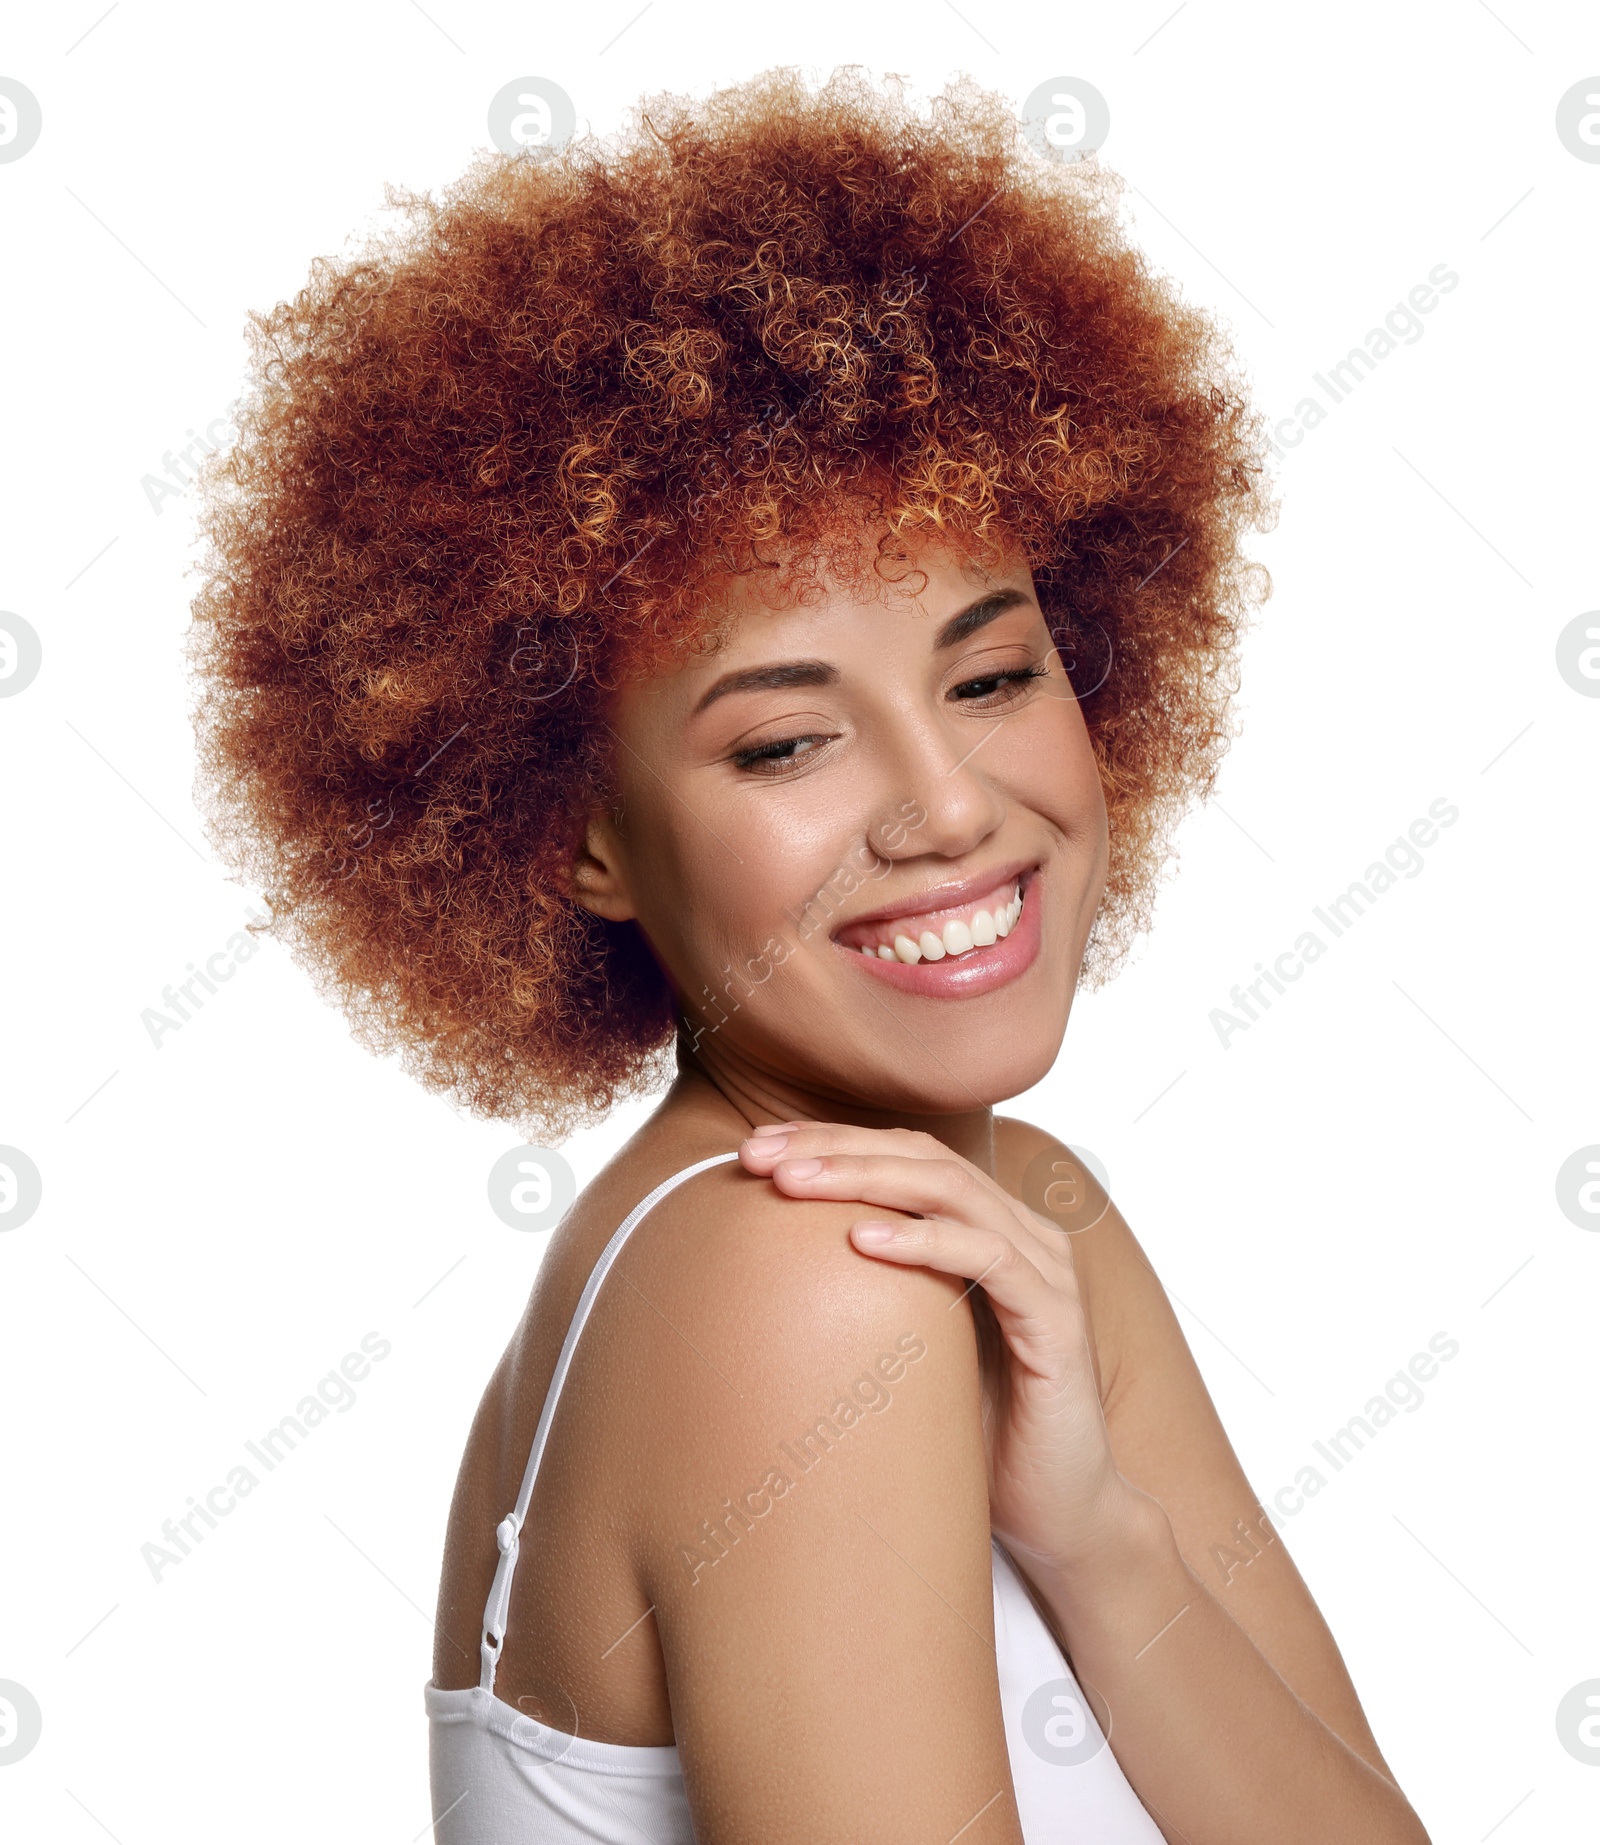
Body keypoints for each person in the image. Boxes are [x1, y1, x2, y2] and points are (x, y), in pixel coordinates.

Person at [188, 66, 1431, 1844]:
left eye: (992, 678)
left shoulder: (1026, 1218)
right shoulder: (797, 1282)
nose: (945, 805)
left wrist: (1097, 1535)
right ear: (581, 834)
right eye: (786, 742)